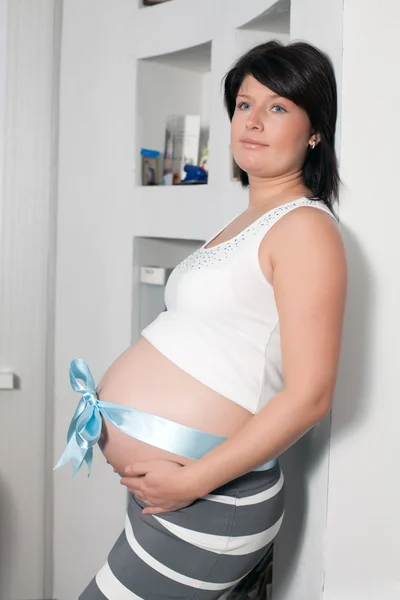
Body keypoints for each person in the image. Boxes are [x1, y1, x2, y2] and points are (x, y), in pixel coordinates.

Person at [56, 40, 347, 600]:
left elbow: (312, 395)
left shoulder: (305, 229)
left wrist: (191, 480)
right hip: (182, 489)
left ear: (315, 131)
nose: (254, 122)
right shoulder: (250, 220)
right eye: (244, 105)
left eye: (278, 107)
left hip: (210, 495)